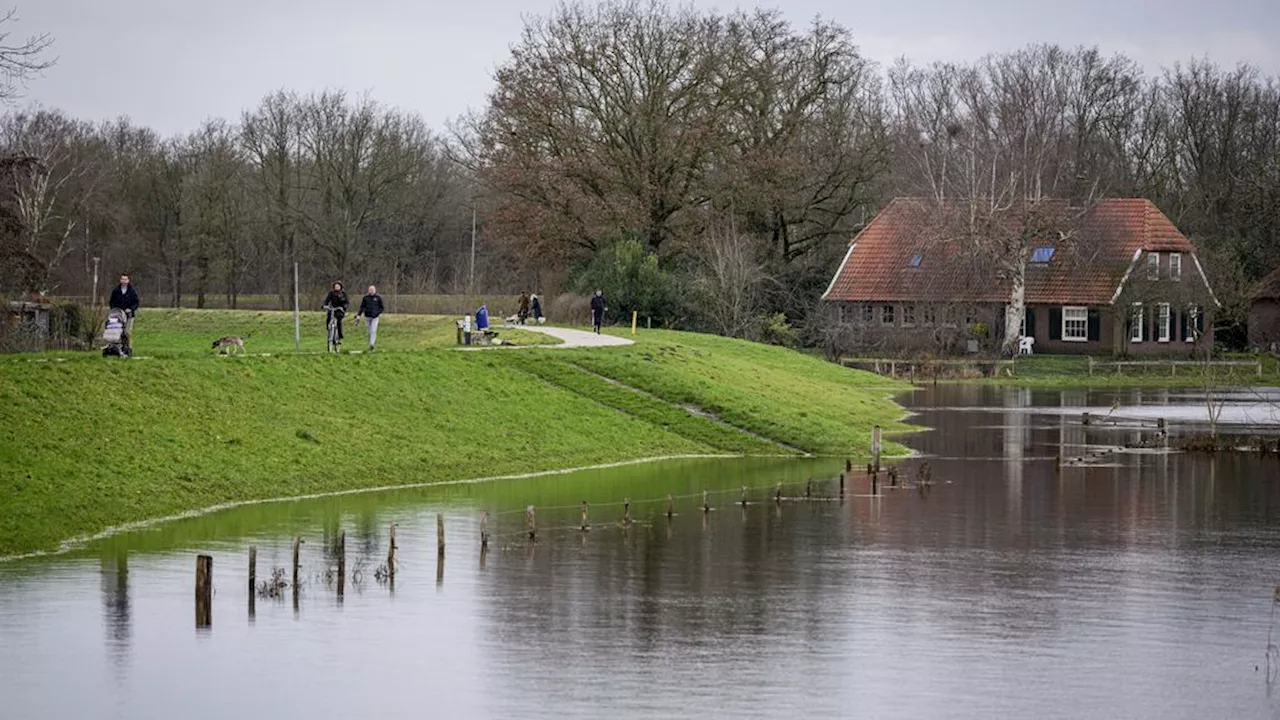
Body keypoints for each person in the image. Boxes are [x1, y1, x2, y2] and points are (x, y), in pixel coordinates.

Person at [108, 273, 140, 345]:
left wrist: (131, 309)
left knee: (127, 332)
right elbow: (112, 302)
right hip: (118, 315)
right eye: (122, 279)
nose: (124, 281)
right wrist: (114, 310)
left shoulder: (132, 291)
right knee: (118, 331)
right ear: (120, 280)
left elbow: (136, 303)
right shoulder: (116, 291)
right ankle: (119, 347)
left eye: (125, 279)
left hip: (129, 315)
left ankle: (128, 348)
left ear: (128, 281)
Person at [356, 285, 384, 351]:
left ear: (375, 290)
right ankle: (370, 343)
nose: (371, 291)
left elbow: (382, 308)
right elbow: (362, 307)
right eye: (370, 290)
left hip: (375, 317)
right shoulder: (365, 298)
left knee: (373, 330)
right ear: (368, 290)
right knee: (369, 331)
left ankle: (372, 344)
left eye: (372, 290)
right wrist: (358, 315)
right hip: (367, 317)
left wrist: (378, 313)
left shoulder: (378, 298)